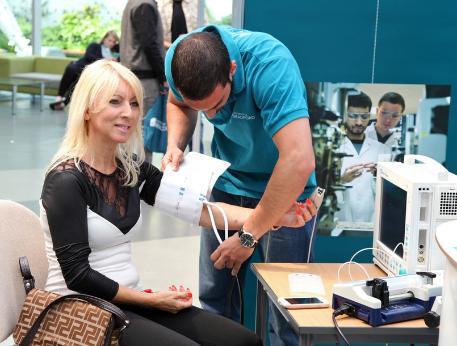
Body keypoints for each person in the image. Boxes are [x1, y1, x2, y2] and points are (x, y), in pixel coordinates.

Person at [40, 60, 314, 345]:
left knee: (242, 341)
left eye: (134, 103)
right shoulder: (65, 180)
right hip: (77, 309)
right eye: (115, 102)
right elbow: (78, 276)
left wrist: (275, 218)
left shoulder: (131, 169)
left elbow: (202, 211)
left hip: (127, 303)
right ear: (86, 109)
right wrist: (154, 300)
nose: (128, 113)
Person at [163, 25, 318, 345]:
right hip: (228, 183)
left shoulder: (270, 65)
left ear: (232, 69)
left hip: (286, 192)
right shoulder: (181, 57)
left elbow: (298, 161)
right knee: (215, 301)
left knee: (289, 310)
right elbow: (179, 104)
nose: (210, 115)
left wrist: (248, 236)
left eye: (216, 106)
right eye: (202, 108)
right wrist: (176, 142)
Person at [336, 92, 391, 222]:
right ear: (344, 116)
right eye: (353, 116)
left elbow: (390, 193)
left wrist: (379, 176)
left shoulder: (382, 150)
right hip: (339, 219)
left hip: (372, 222)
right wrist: (341, 180)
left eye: (364, 117)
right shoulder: (334, 148)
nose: (359, 122)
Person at [49, 31, 119, 110]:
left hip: (92, 73)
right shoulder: (94, 46)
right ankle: (60, 96)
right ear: (104, 39)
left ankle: (64, 103)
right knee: (72, 70)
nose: (111, 43)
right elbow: (89, 56)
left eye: (113, 42)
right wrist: (105, 59)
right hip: (82, 66)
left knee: (79, 81)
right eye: (109, 40)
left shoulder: (114, 52)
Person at [120, 0, 166, 113]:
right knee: (146, 127)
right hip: (145, 82)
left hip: (133, 78)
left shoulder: (133, 3)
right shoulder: (144, 5)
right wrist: (163, 77)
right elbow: (148, 44)